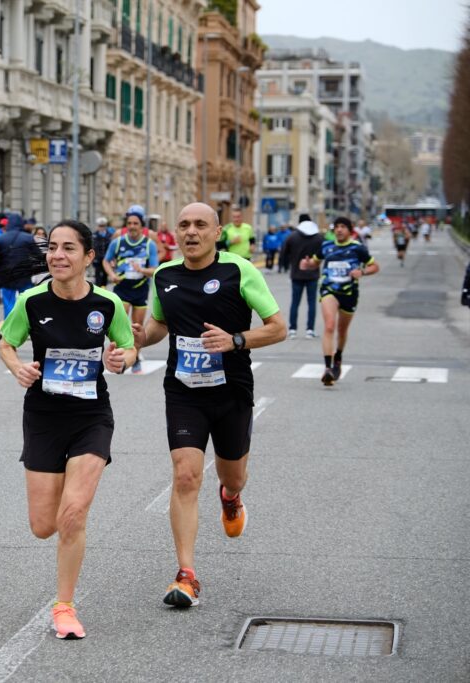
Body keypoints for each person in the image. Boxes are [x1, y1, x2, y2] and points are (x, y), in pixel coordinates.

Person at [134, 202, 285, 608]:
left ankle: (231, 497)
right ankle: (186, 575)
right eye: (183, 225)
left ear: (218, 232)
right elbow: (159, 325)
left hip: (231, 389)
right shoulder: (164, 275)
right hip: (183, 390)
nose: (191, 232)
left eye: (201, 224)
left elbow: (278, 328)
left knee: (232, 475)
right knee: (185, 476)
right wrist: (139, 338)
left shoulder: (239, 271)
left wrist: (236, 340)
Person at [0, 219, 135, 640]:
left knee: (73, 514)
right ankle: (64, 535)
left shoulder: (108, 304)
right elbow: (7, 343)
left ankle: (64, 605)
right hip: (42, 416)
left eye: (68, 248)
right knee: (44, 524)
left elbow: (129, 345)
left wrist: (122, 359)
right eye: (53, 247)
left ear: (88, 257)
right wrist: (17, 367)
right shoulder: (31, 301)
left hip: (91, 416)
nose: (57, 255)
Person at [300, 216, 379, 386]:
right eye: (336, 227)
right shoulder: (327, 246)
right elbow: (315, 261)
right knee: (329, 326)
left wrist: (362, 272)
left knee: (342, 331)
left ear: (350, 230)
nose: (339, 229)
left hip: (349, 293)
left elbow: (374, 266)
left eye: (343, 226)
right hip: (329, 289)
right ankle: (328, 368)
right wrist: (307, 264)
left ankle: (338, 357)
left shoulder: (358, 248)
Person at [103, 205, 159, 373]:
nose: (132, 226)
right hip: (123, 289)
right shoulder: (117, 242)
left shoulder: (150, 245)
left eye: (136, 223)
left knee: (136, 327)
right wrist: (111, 274)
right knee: (120, 325)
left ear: (141, 225)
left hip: (141, 290)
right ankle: (119, 354)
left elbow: (155, 269)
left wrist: (142, 270)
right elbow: (106, 261)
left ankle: (135, 358)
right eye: (129, 223)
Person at [279, 215, 322, 339]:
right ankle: (310, 330)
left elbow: (283, 253)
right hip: (313, 275)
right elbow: (324, 253)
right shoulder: (319, 238)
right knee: (312, 302)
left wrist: (285, 266)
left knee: (295, 302)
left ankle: (292, 330)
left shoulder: (292, 237)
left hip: (296, 275)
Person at [0, 212, 41, 317]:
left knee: (8, 303)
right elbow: (38, 256)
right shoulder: (28, 238)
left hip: (6, 277)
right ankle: (25, 325)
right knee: (26, 301)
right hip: (24, 276)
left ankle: (9, 329)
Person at [91, 217, 113, 285]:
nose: (102, 228)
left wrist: (112, 259)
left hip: (106, 258)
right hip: (97, 258)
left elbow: (111, 248)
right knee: (97, 274)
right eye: (100, 226)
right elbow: (92, 247)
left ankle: (104, 287)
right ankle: (98, 288)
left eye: (103, 226)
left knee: (105, 275)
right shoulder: (94, 235)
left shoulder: (109, 235)